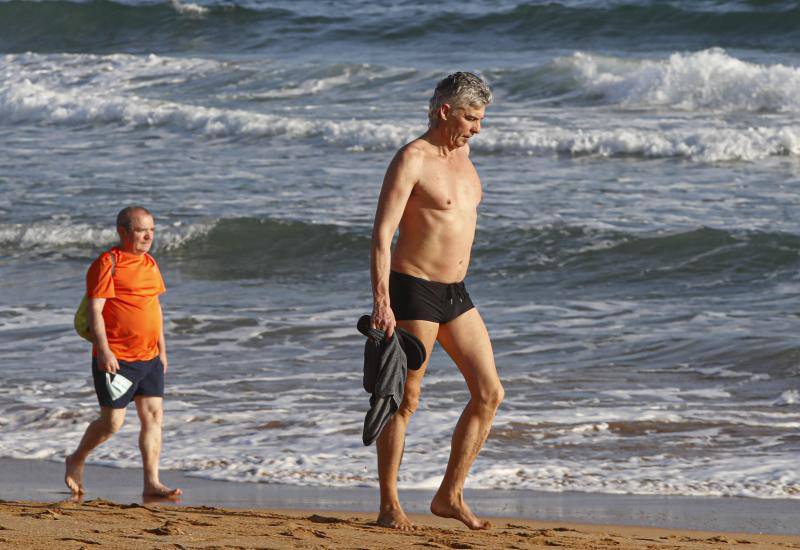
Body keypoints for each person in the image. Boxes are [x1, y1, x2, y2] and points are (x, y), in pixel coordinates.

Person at [370, 72, 503, 531]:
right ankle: (390, 504)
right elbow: (382, 236)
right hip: (413, 289)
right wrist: (382, 302)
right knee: (404, 398)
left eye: (481, 119)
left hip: (456, 292)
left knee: (489, 392)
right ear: (445, 111)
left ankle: (449, 494)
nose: (477, 128)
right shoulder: (412, 158)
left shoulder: (464, 154)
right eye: (471, 117)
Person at [65, 206, 181, 499]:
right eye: (142, 230)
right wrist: (103, 350)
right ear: (122, 232)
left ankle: (151, 482)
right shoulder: (107, 264)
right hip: (117, 358)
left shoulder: (150, 263)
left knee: (153, 417)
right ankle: (77, 458)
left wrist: (162, 350)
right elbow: (95, 311)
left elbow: (155, 307)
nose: (148, 236)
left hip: (150, 356)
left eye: (151, 230)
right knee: (112, 423)